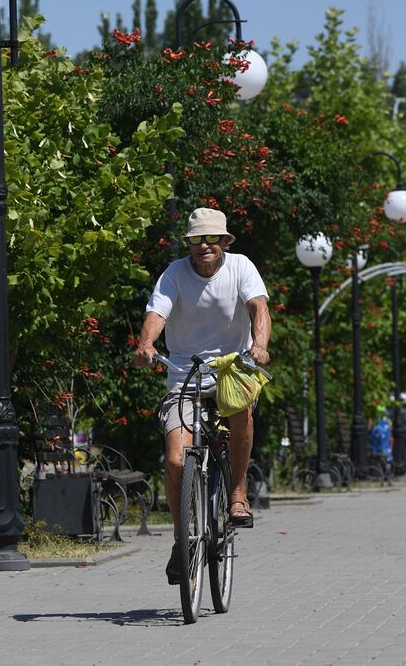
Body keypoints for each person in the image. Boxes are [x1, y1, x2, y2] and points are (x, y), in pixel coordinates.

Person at [133, 208, 271, 585]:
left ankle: (238, 493)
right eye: (196, 239)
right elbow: (157, 313)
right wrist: (146, 344)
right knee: (177, 459)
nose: (204, 246)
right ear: (189, 244)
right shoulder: (175, 273)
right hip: (184, 371)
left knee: (242, 412)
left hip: (233, 367)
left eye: (211, 239)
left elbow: (259, 307)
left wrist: (259, 346)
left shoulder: (241, 267)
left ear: (224, 242)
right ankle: (182, 539)